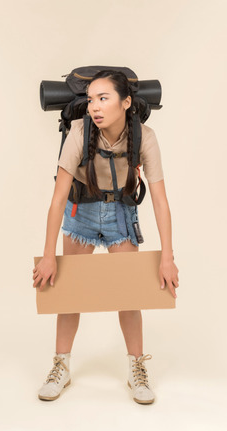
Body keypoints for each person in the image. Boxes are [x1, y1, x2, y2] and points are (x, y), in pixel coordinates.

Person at [33, 70, 179, 404]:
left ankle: (137, 369)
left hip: (120, 214)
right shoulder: (80, 131)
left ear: (126, 102)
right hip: (80, 212)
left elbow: (160, 200)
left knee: (128, 295)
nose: (95, 107)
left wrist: (167, 257)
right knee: (70, 293)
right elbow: (57, 199)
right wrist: (47, 255)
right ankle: (61, 366)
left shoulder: (145, 137)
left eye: (104, 98)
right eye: (91, 99)